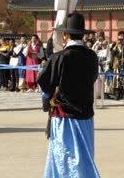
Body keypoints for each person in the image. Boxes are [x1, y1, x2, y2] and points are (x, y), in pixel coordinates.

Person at [37, 12, 100, 177]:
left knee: (64, 156)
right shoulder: (92, 56)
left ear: (66, 35)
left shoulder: (59, 57)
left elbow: (44, 81)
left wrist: (47, 98)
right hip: (86, 114)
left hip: (65, 116)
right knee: (84, 155)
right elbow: (93, 78)